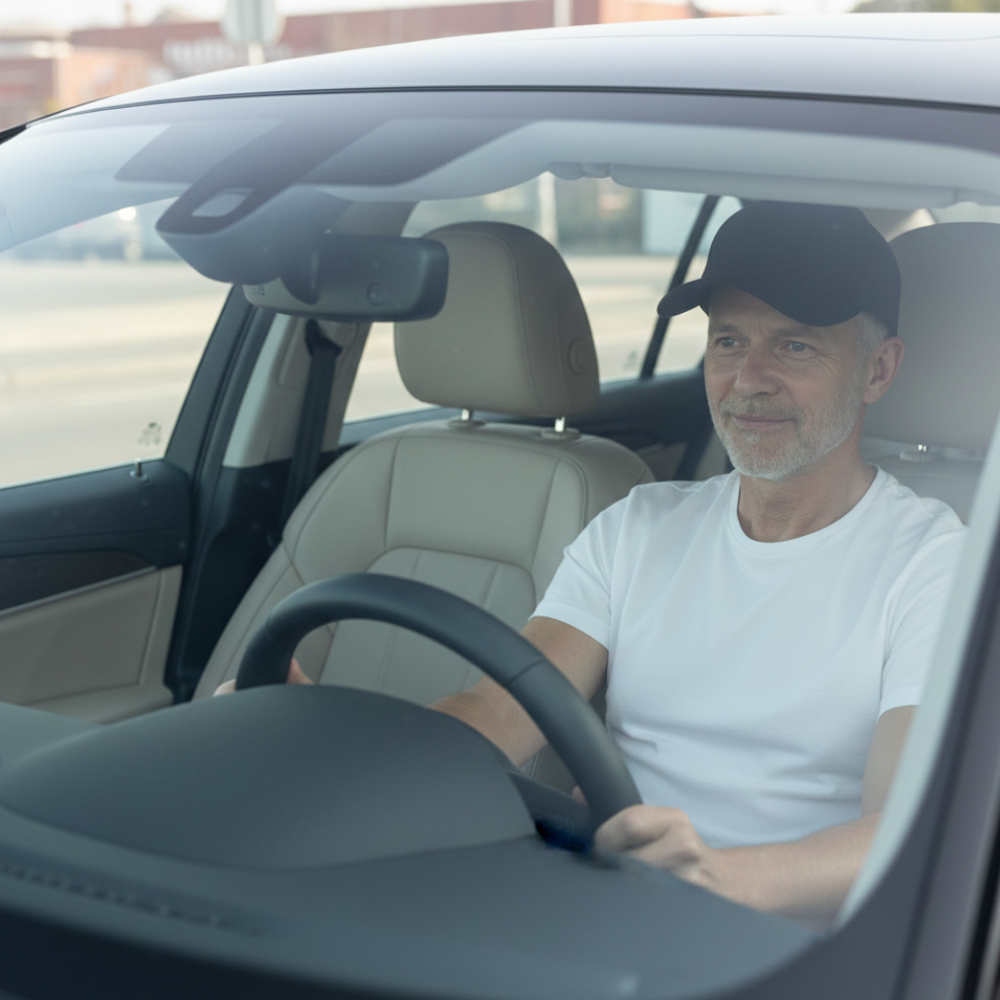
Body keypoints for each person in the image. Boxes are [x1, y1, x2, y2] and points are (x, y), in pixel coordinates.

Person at [220, 201, 966, 929]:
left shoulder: (934, 566)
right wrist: (333, 743)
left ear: (878, 370)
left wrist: (721, 876)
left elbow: (908, 826)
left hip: (787, 940)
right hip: (610, 911)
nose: (749, 378)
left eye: (795, 346)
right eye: (729, 341)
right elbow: (497, 714)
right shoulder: (640, 527)